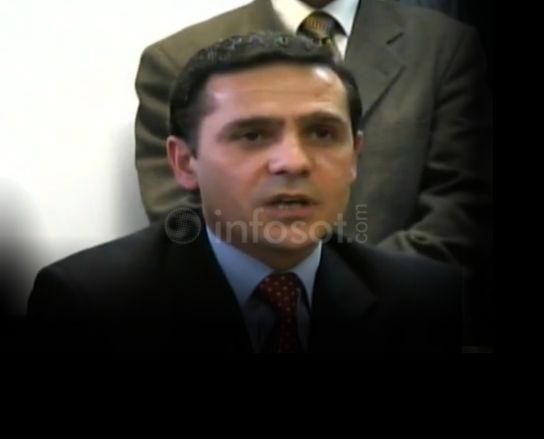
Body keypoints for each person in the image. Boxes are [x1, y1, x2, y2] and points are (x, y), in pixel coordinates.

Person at [27, 32, 462, 353]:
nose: (293, 162)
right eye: (252, 135)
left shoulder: (422, 297)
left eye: (322, 133)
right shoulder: (92, 303)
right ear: (184, 162)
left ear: (354, 157)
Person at [134, 0, 493, 275]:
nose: (293, 161)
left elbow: (460, 211)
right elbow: (180, 220)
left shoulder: (445, 46)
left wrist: (362, 294)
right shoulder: (178, 58)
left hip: (410, 321)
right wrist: (281, 295)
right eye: (253, 134)